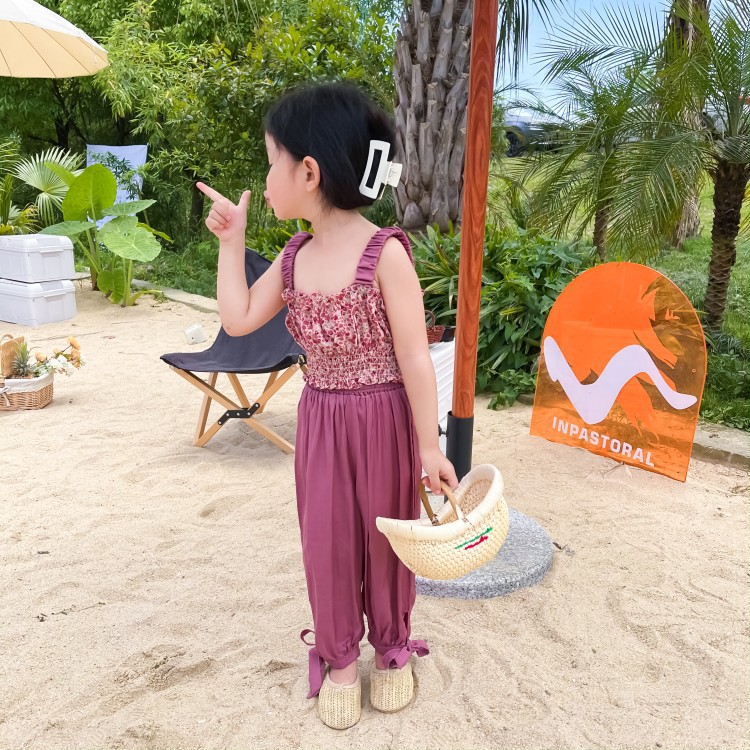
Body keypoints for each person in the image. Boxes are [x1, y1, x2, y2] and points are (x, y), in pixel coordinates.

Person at [197, 82, 458, 730]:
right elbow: (237, 318)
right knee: (328, 540)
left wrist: (430, 446)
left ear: (308, 172)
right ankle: (340, 658)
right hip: (321, 422)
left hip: (385, 421)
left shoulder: (386, 252)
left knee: (388, 537)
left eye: (272, 162)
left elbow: (415, 357)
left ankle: (391, 649)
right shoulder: (293, 257)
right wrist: (231, 243)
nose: (266, 178)